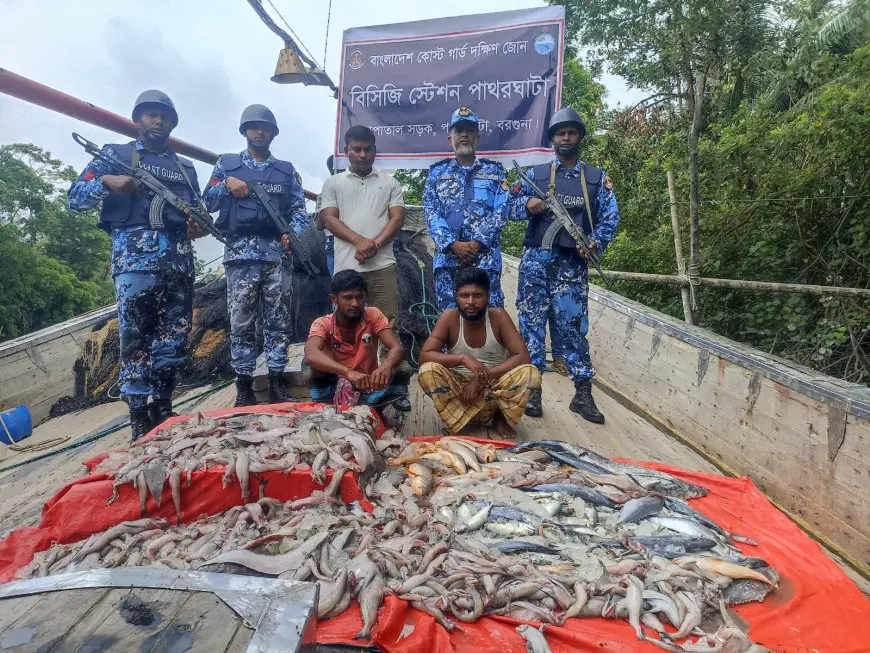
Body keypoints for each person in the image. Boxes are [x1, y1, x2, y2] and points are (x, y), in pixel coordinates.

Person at [67, 90, 204, 440]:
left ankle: (163, 405)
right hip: (135, 262)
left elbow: (198, 214)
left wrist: (196, 226)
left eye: (164, 117)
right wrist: (105, 182)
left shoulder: (185, 169)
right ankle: (139, 415)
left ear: (172, 123)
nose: (158, 122)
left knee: (174, 340)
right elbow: (74, 199)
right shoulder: (116, 155)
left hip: (178, 263)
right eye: (151, 115)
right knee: (135, 341)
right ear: (138, 119)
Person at [510, 107, 620, 423]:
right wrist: (529, 205)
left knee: (573, 329)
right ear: (553, 139)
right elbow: (508, 208)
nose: (566, 137)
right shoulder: (536, 175)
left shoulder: (596, 179)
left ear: (580, 137)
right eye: (561, 133)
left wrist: (596, 241)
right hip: (535, 264)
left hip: (571, 266)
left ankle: (582, 394)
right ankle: (532, 392)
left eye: (571, 132)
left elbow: (611, 217)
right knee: (531, 327)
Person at [202, 104, 309, 407]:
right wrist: (226, 184)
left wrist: (292, 233)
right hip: (240, 254)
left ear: (273, 133)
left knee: (278, 320)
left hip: (277, 254)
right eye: (253, 127)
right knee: (241, 322)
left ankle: (277, 381)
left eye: (265, 128)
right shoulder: (227, 164)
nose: (259, 132)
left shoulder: (286, 171)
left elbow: (299, 211)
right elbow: (205, 201)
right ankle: (244, 387)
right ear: (245, 131)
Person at [418, 267, 542, 438]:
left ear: (488, 296)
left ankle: (500, 418)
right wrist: (463, 358)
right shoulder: (449, 317)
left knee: (531, 373)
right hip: (462, 395)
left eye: (477, 295)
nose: (470, 302)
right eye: (464, 296)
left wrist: (481, 378)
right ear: (456, 296)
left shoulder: (498, 316)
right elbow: (425, 355)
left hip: (494, 390)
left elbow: (522, 357)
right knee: (427, 370)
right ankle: (459, 420)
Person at [423, 106, 510, 311]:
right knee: (449, 325)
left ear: (477, 138)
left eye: (469, 130)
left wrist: (477, 243)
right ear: (449, 139)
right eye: (458, 130)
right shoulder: (437, 173)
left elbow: (502, 210)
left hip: (485, 262)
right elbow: (431, 211)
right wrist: (452, 244)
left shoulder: (495, 172)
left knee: (491, 323)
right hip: (448, 262)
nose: (464, 135)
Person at [318, 126, 405, 325]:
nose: (363, 155)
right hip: (346, 266)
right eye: (357, 149)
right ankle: (349, 358)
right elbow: (329, 219)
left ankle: (385, 358)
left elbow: (397, 219)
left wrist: (373, 246)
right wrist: (359, 241)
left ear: (375, 150)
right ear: (346, 150)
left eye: (368, 149)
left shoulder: (391, 183)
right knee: (346, 324)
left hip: (382, 265)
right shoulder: (332, 183)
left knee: (387, 323)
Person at [304, 270, 412, 414]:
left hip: (368, 381)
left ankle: (378, 405)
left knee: (402, 368)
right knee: (308, 366)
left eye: (359, 297)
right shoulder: (323, 323)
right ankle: (324, 402)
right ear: (334, 299)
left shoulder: (373, 314)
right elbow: (311, 354)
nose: (355, 303)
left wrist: (385, 366)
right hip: (336, 381)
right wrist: (347, 372)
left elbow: (396, 348)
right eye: (348, 298)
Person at [314, 155, 337, 277]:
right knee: (340, 287)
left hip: (355, 242)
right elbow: (319, 225)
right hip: (334, 243)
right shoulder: (324, 194)